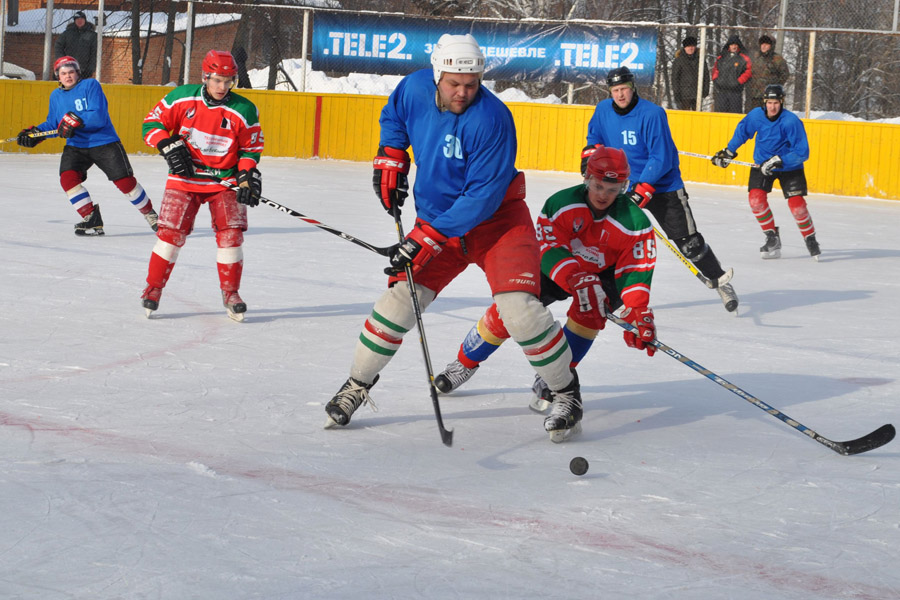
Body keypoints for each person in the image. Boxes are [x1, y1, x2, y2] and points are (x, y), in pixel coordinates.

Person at [324, 33, 583, 442]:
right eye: (453, 83)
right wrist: (391, 155)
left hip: (496, 223)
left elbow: (482, 196)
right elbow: (393, 118)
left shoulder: (493, 119)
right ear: (436, 75)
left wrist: (428, 234)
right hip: (436, 221)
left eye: (472, 83)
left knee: (519, 310)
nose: (463, 92)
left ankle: (566, 392)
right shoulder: (412, 88)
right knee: (398, 302)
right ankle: (357, 385)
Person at [435, 146, 658, 415]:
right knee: (512, 307)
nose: (604, 195)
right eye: (599, 186)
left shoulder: (636, 222)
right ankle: (464, 363)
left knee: (591, 314)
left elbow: (635, 268)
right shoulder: (561, 204)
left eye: (613, 190)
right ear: (587, 178)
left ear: (623, 187)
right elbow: (548, 248)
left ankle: (554, 376)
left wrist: (637, 311)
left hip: (604, 274)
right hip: (560, 266)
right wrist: (575, 276)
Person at [582, 66, 738, 313]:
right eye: (615, 90)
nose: (620, 95)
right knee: (616, 242)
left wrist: (643, 188)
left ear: (633, 89)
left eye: (624, 89)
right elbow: (595, 140)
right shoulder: (602, 110)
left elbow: (662, 156)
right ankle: (612, 297)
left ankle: (718, 279)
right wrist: (589, 160)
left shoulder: (653, 114)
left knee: (689, 244)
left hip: (663, 186)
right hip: (626, 185)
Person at [140, 50, 264, 321]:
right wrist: (165, 142)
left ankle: (231, 293)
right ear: (205, 77)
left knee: (231, 236)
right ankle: (153, 289)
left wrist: (246, 175)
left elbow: (250, 149)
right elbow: (150, 124)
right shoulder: (181, 98)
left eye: (228, 81)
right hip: (184, 179)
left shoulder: (244, 109)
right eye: (217, 80)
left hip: (224, 182)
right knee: (170, 235)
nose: (222, 87)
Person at [16, 56, 157, 236]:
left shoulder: (90, 85)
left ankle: (150, 214)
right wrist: (34, 134)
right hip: (76, 145)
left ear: (77, 73)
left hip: (103, 141)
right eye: (63, 73)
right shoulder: (56, 96)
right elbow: (55, 124)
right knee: (67, 178)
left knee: (124, 181)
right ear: (57, 76)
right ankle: (91, 217)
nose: (67, 76)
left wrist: (75, 122)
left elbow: (98, 116)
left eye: (71, 72)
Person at [711, 84, 820, 260]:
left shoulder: (791, 121)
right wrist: (729, 152)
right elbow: (742, 133)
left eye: (776, 102)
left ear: (782, 102)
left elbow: (802, 152)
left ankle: (810, 238)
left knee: (797, 206)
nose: (772, 106)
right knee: (755, 200)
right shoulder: (755, 116)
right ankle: (772, 237)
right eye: (769, 102)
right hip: (762, 164)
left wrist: (780, 160)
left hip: (789, 167)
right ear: (764, 102)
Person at [745, 34, 790, 111]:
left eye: (766, 44)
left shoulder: (777, 59)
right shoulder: (755, 57)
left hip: (770, 96)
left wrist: (775, 86)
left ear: (771, 46)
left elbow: (785, 74)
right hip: (754, 95)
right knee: (754, 116)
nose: (764, 46)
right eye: (762, 44)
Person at [711, 35, 752, 114]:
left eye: (736, 44)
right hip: (721, 92)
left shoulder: (744, 58)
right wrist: (716, 80)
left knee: (734, 115)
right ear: (729, 46)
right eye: (732, 44)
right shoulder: (721, 57)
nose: (734, 46)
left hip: (735, 92)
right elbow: (715, 69)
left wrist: (739, 81)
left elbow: (748, 71)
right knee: (719, 115)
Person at [671, 36, 710, 111]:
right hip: (684, 94)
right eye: (688, 46)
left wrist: (705, 89)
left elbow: (706, 75)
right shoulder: (679, 60)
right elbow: (675, 78)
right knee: (685, 116)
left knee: (698, 115)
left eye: (692, 46)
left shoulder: (700, 59)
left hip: (698, 93)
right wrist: (677, 93)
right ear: (685, 48)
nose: (690, 48)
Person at [55, 11, 97, 79]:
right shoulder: (67, 33)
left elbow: (94, 53)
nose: (79, 21)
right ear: (74, 21)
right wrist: (62, 60)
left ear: (85, 20)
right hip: (68, 67)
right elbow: (58, 46)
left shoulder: (92, 35)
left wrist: (90, 69)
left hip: (84, 70)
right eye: (77, 19)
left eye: (82, 19)